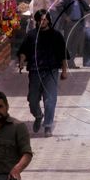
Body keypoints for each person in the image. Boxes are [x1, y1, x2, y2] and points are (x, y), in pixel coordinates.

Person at [18, 9, 68, 137]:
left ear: (49, 20)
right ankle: (38, 116)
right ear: (36, 21)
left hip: (51, 71)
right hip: (35, 71)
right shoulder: (31, 35)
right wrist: (22, 61)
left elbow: (63, 55)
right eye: (40, 19)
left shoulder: (56, 35)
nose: (42, 21)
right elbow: (23, 50)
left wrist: (64, 71)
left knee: (50, 100)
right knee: (33, 99)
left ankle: (47, 126)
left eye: (45, 19)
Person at [54, 0, 90, 69]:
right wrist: (65, 17)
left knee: (75, 44)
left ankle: (71, 63)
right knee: (68, 43)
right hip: (70, 23)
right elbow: (58, 6)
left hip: (79, 23)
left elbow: (87, 8)